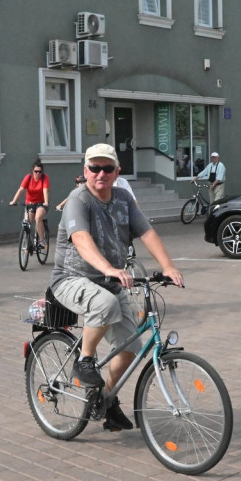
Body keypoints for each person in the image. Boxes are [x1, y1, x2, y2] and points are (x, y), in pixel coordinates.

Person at [51, 143, 184, 432]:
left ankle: (106, 401)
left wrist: (168, 266)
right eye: (95, 168)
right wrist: (109, 269)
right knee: (105, 305)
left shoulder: (123, 198)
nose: (101, 173)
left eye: (107, 168)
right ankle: (85, 361)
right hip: (71, 279)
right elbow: (82, 240)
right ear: (85, 171)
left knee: (130, 347)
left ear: (117, 171)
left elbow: (146, 232)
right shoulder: (78, 200)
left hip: (107, 281)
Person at [9, 159, 50, 247]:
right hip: (30, 203)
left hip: (41, 203)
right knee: (27, 222)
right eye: (36, 171)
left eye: (40, 172)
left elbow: (45, 190)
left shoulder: (44, 178)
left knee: (38, 217)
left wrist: (46, 202)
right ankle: (29, 241)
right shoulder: (28, 177)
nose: (38, 174)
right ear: (33, 171)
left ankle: (42, 240)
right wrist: (14, 201)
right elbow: (21, 190)